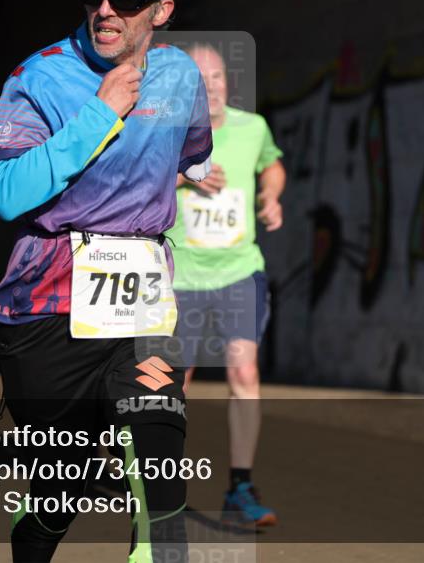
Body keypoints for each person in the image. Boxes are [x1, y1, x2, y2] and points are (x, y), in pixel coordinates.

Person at [0, 0, 212, 563]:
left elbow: (193, 150)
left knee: (161, 482)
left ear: (161, 12)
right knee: (65, 484)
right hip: (49, 300)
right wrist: (101, 114)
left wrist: (188, 175)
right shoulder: (39, 76)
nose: (106, 10)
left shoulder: (179, 75)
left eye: (126, 1)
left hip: (142, 300)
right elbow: (7, 193)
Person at [169, 43, 285, 527]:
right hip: (181, 276)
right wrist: (186, 179)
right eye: (200, 78)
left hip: (239, 271)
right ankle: (161, 481)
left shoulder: (252, 128)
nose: (211, 86)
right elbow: (137, 181)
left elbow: (272, 164)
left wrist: (271, 196)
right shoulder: (167, 131)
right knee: (176, 381)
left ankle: (240, 485)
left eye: (216, 77)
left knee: (244, 373)